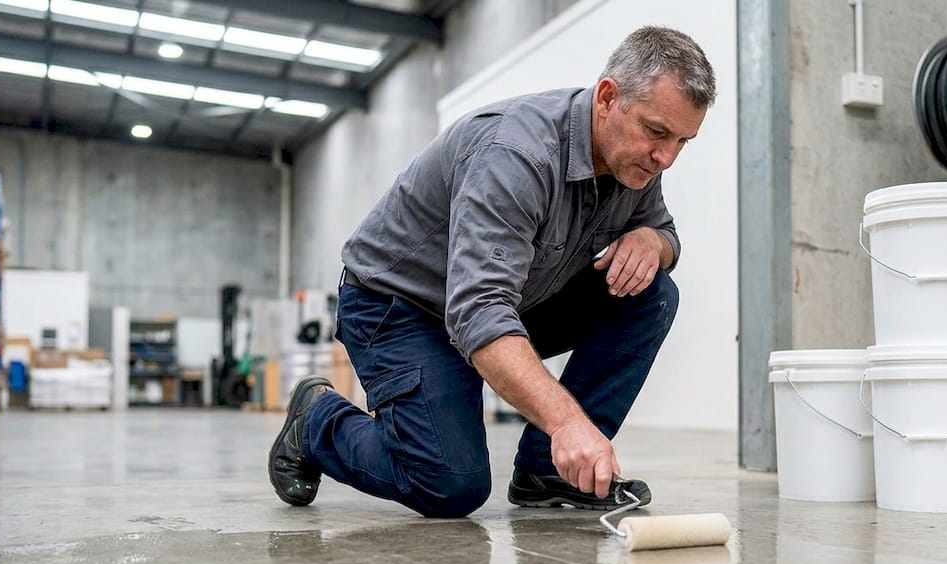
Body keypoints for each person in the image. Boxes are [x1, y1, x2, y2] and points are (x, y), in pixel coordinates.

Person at [268, 26, 716, 518]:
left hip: (504, 302)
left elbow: (664, 231)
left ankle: (546, 473)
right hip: (398, 308)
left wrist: (653, 241)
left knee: (652, 294)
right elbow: (479, 310)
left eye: (682, 141)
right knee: (449, 483)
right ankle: (316, 422)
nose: (666, 157)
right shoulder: (515, 155)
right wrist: (566, 421)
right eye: (656, 132)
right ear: (608, 97)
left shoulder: (634, 164)